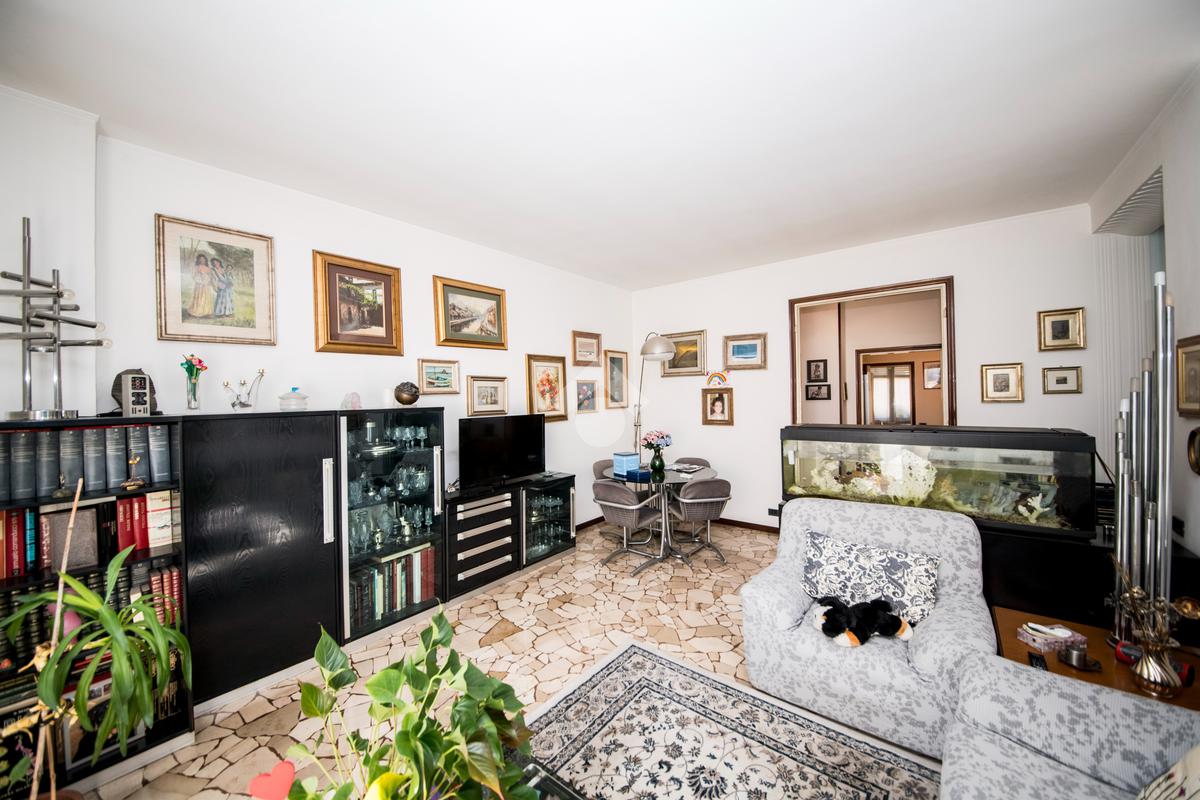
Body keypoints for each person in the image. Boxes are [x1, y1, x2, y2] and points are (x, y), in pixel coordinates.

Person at [185, 253, 215, 319]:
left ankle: (206, 312)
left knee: (206, 298)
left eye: (203, 259)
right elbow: (194, 276)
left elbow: (211, 277)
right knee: (199, 298)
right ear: (198, 260)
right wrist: (200, 280)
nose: (202, 260)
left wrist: (207, 280)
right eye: (200, 259)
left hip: (206, 286)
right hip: (199, 286)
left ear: (205, 260)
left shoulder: (208, 268)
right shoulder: (196, 267)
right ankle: (196, 312)